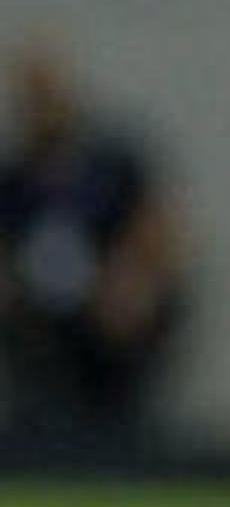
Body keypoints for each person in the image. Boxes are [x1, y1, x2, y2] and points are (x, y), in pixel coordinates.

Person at [1, 42, 188, 454]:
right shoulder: (14, 175)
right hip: (43, 306)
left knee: (133, 316)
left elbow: (161, 229)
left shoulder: (112, 161)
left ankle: (122, 438)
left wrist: (132, 276)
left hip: (113, 294)